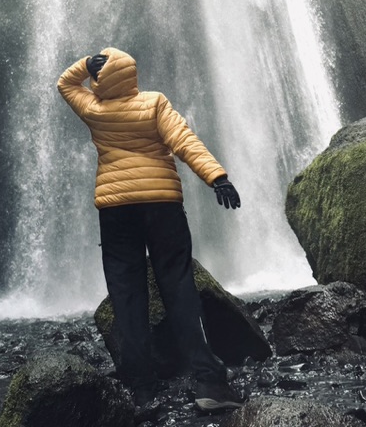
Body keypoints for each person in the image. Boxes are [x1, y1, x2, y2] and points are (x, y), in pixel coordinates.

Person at [57, 46, 243, 412]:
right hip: (161, 205)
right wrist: (217, 177)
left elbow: (65, 84)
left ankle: (141, 389)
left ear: (99, 78)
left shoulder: (93, 109)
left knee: (127, 295)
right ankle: (208, 383)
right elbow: (183, 140)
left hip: (115, 210)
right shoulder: (154, 102)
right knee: (177, 285)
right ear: (131, 74)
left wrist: (83, 66)